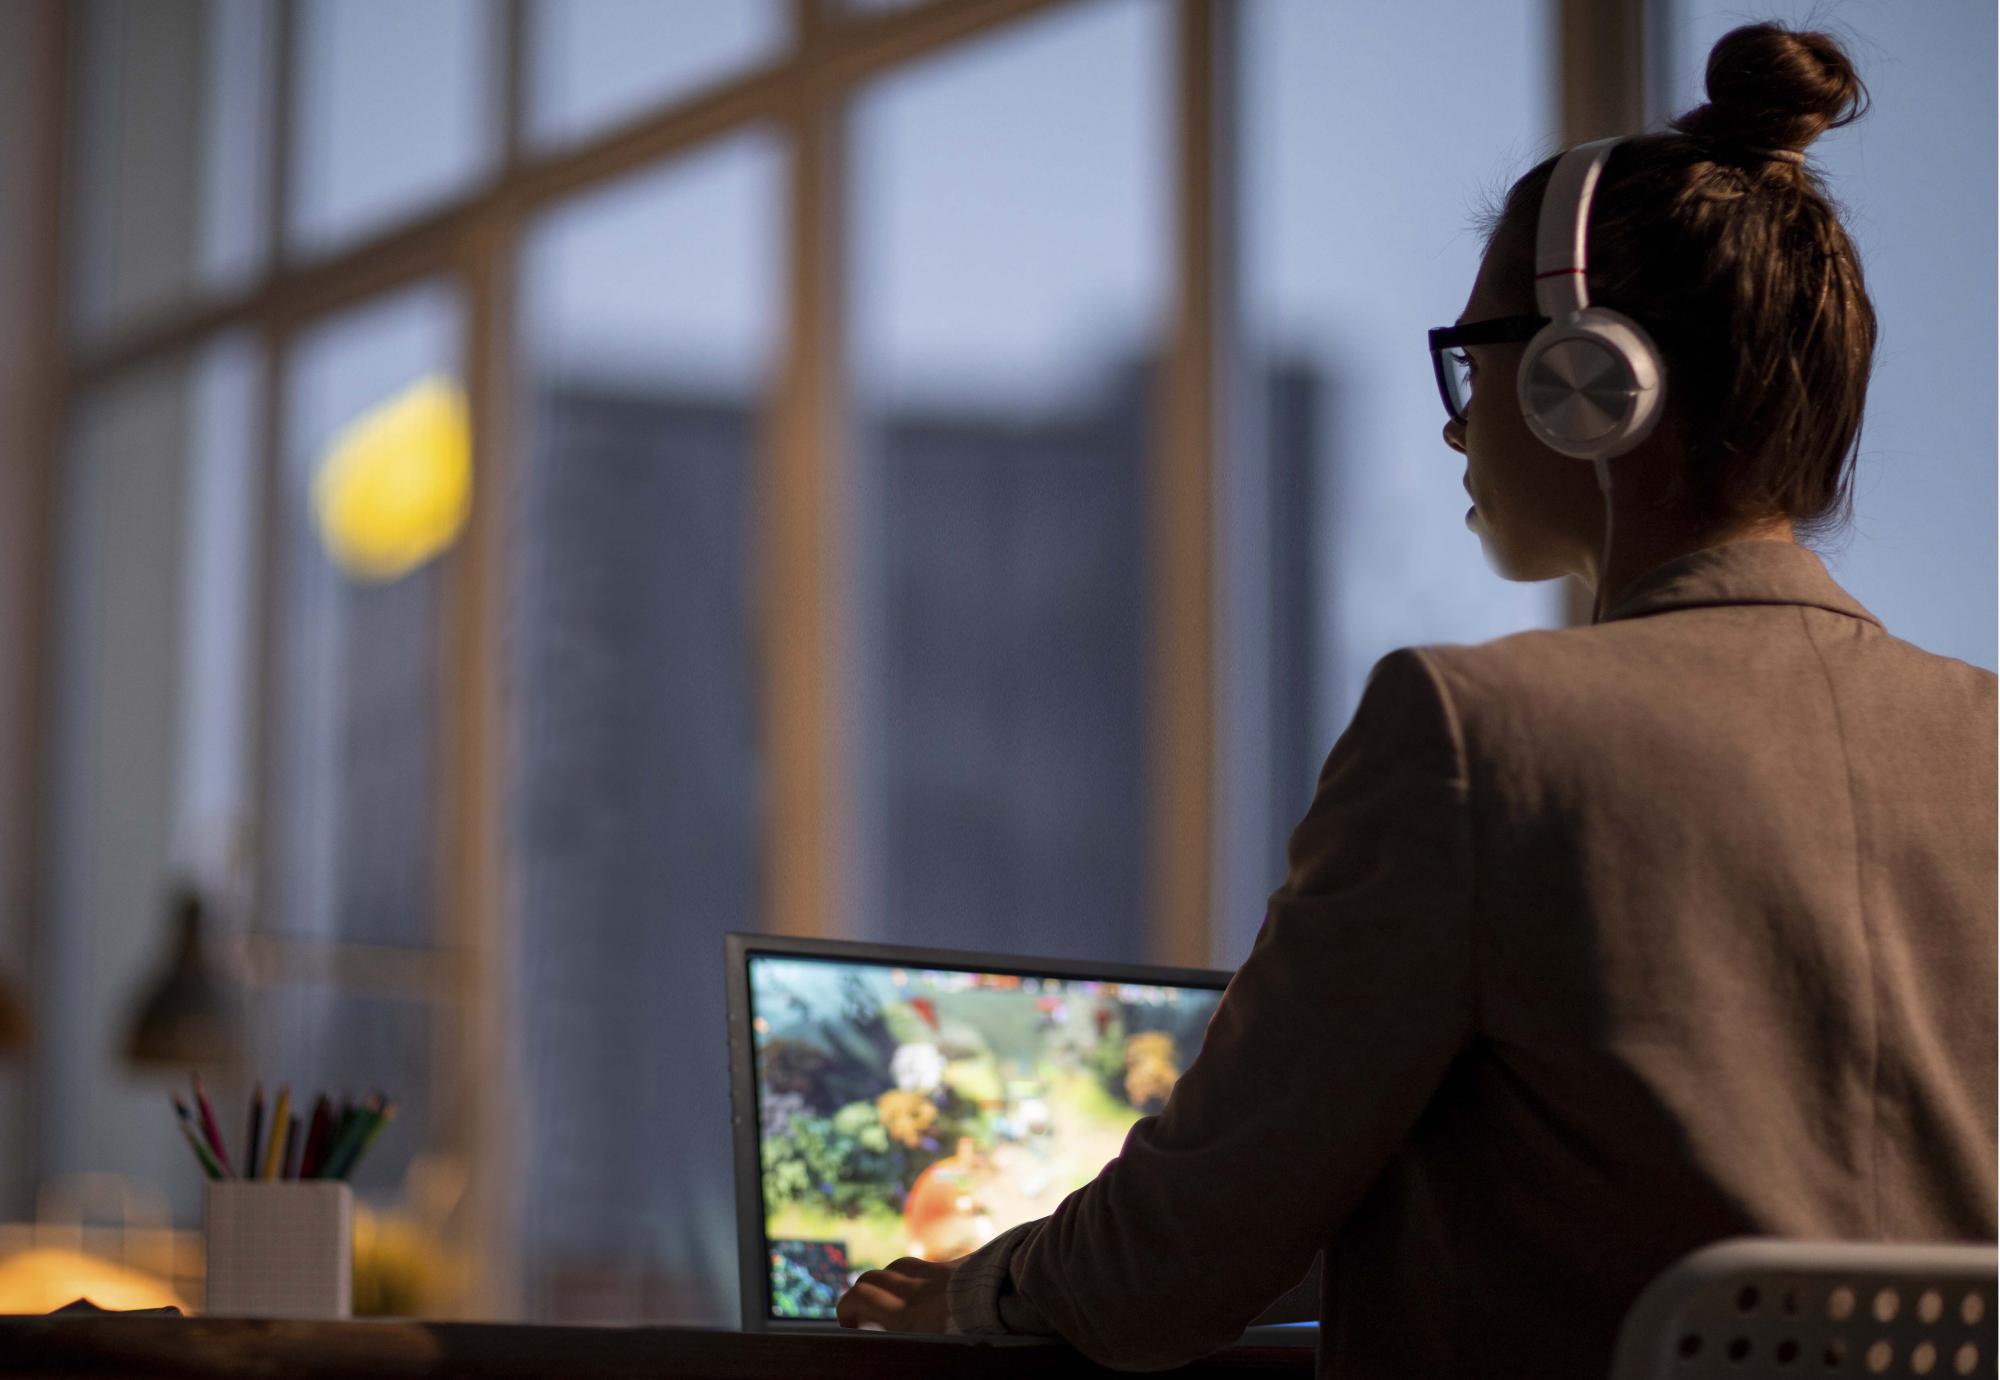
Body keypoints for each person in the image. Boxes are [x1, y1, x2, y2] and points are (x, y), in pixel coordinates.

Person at [834, 22, 1997, 1377]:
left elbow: (1167, 1274)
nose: (1458, 422)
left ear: (1590, 384)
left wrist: (979, 1293)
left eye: (1477, 359)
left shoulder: (1477, 732)